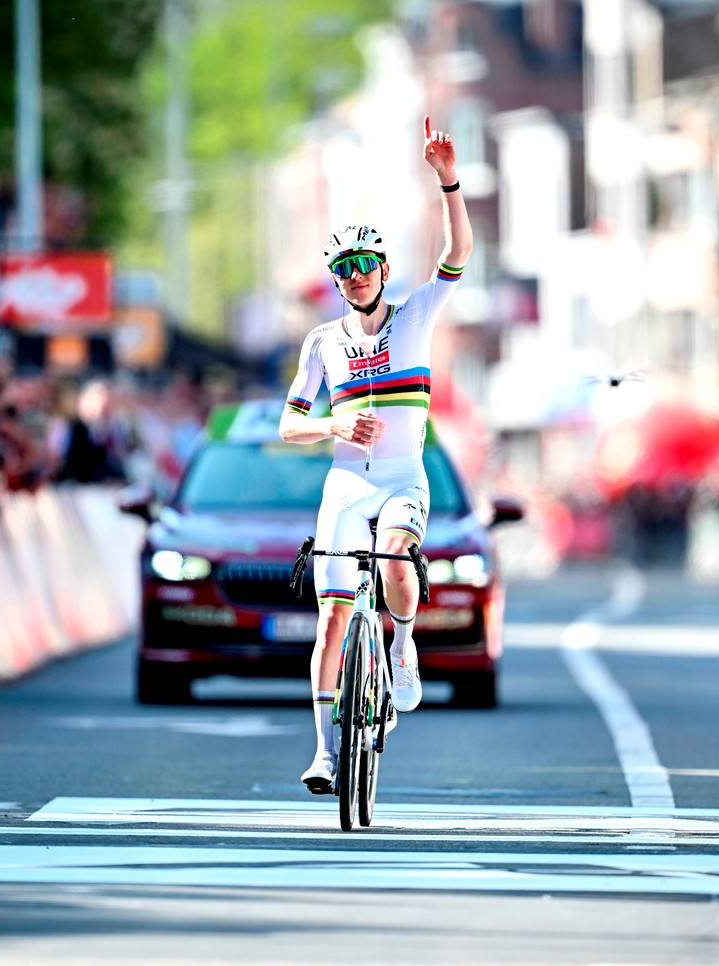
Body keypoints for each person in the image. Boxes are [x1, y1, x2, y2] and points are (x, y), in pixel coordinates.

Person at [278, 116, 472, 793]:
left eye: (366, 264)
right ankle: (325, 753)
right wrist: (332, 424)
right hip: (344, 485)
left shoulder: (416, 315)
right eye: (345, 268)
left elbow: (458, 251)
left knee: (394, 562)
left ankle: (404, 646)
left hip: (400, 478)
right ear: (336, 280)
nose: (357, 276)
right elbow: (289, 424)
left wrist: (448, 179)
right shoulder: (322, 343)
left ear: (385, 270)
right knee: (332, 619)